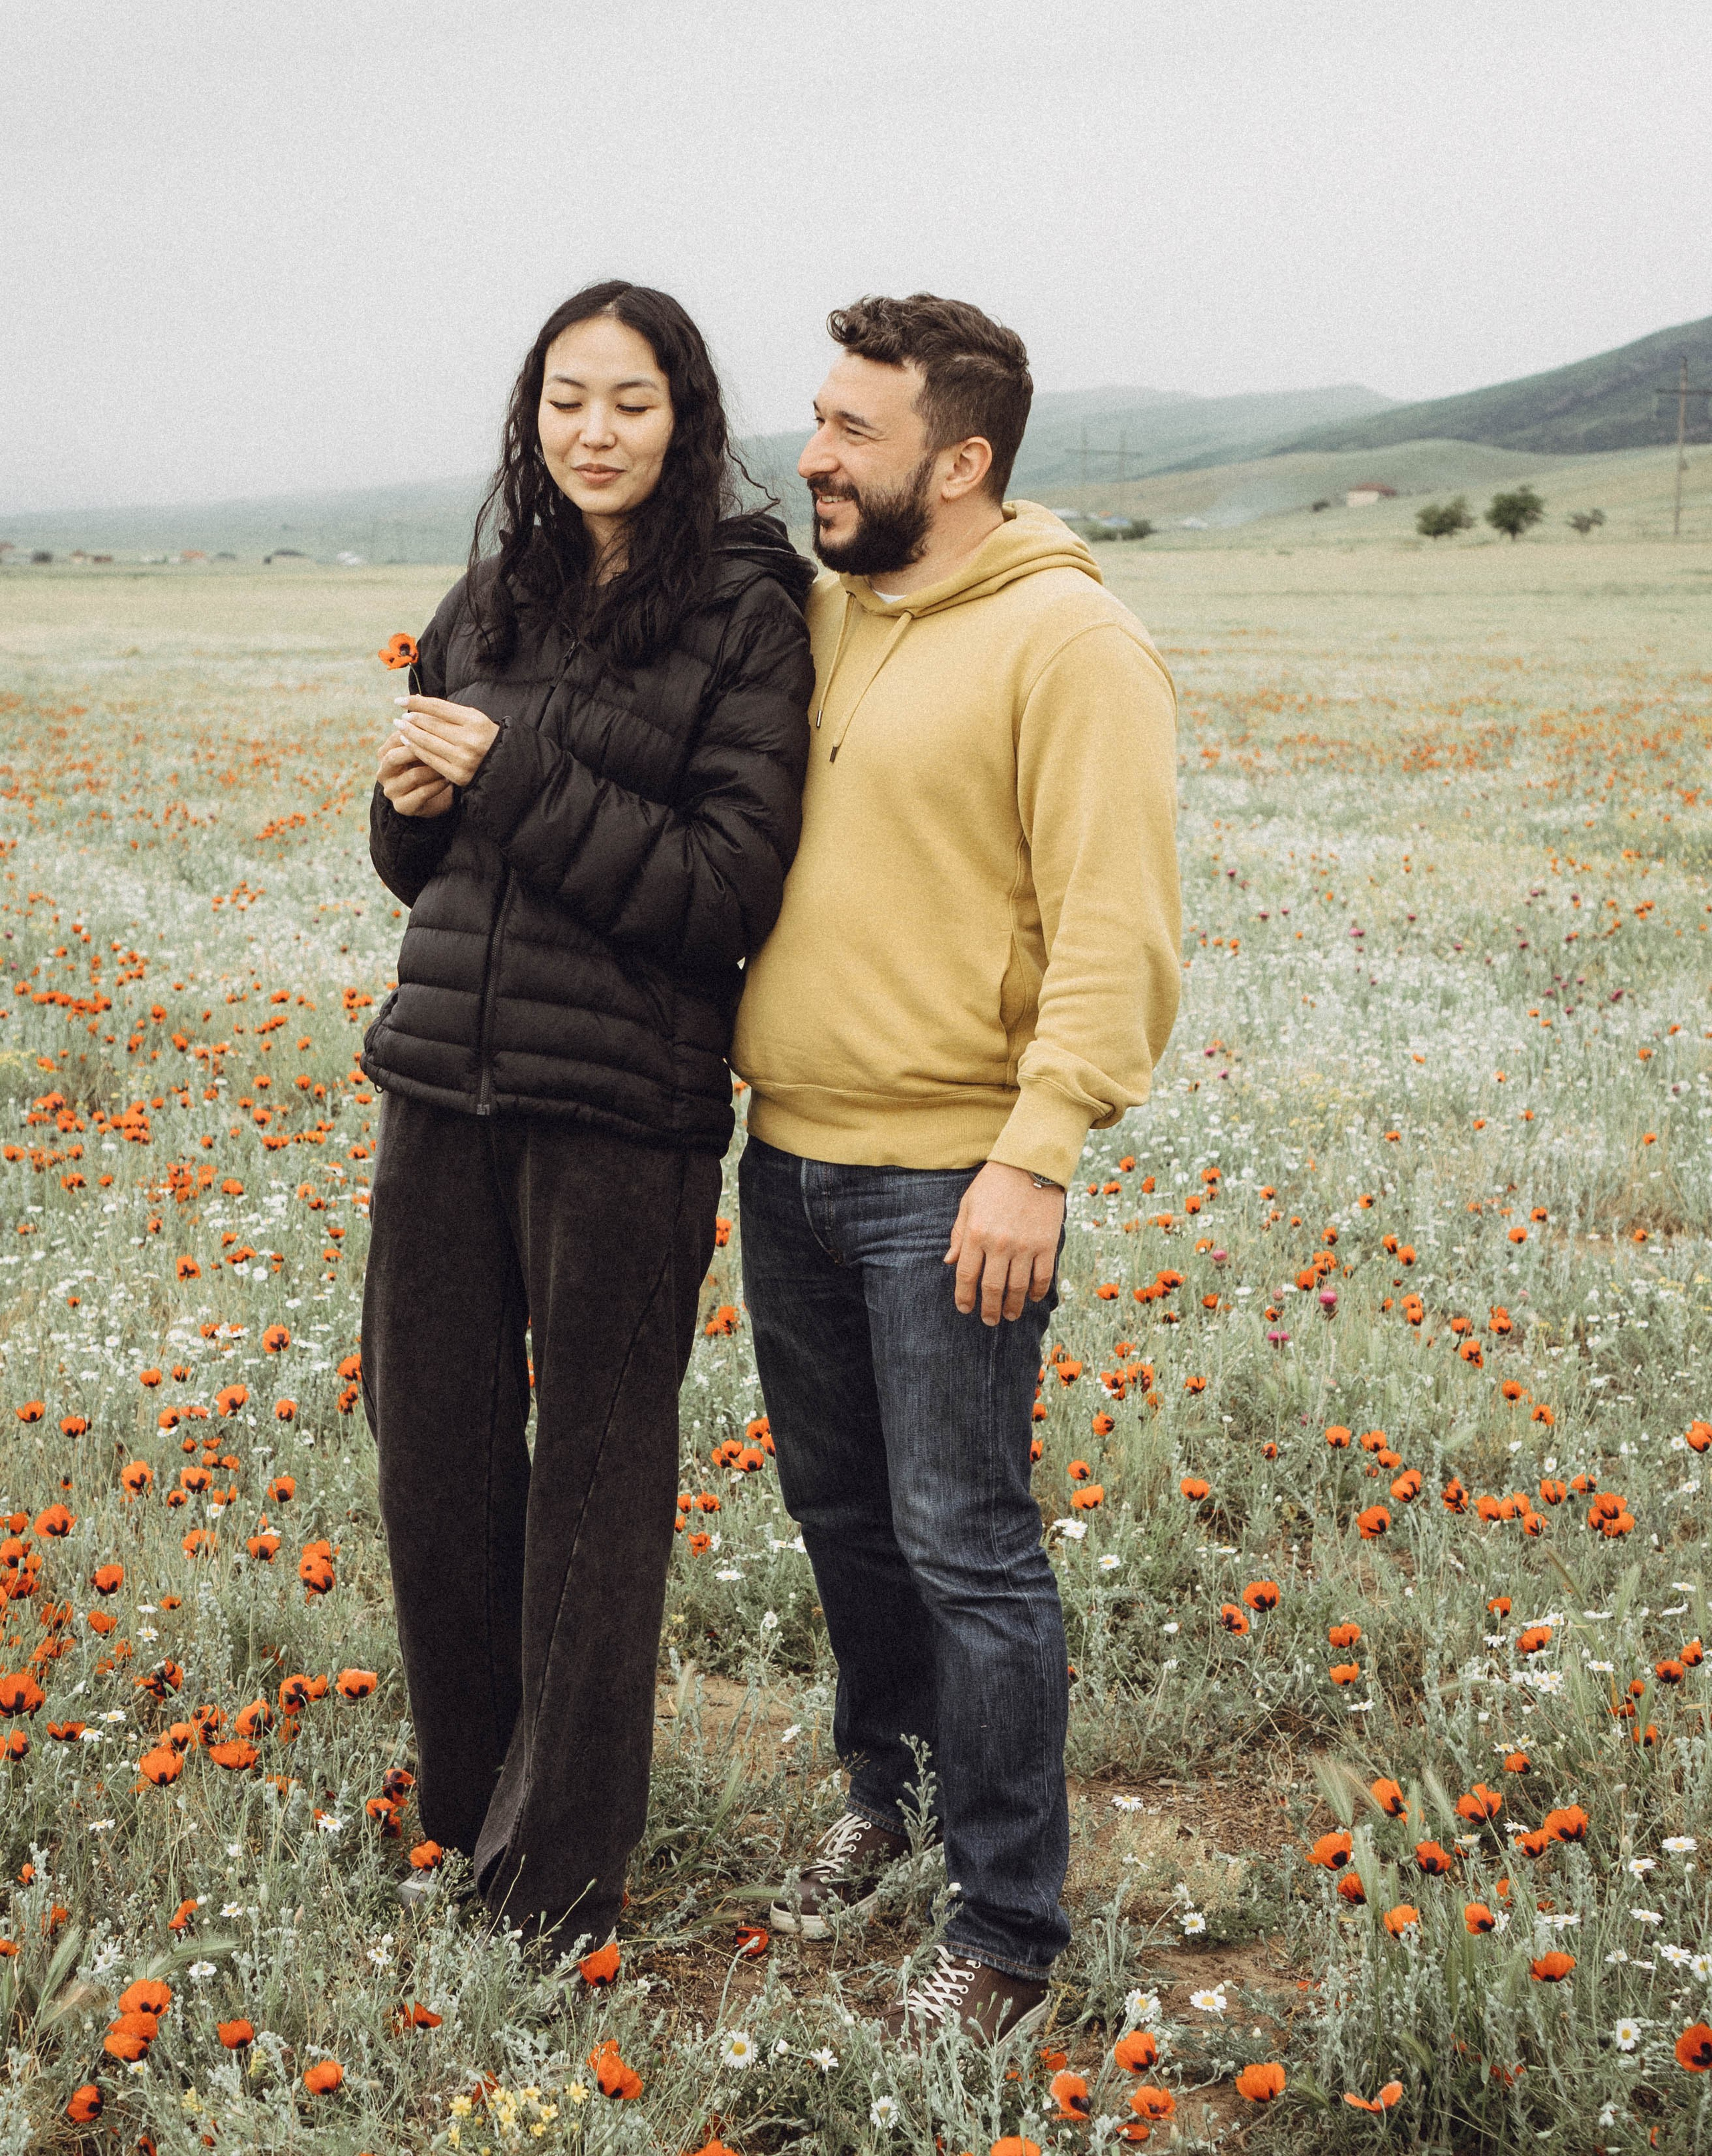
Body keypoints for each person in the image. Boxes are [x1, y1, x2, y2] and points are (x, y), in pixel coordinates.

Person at [732, 292, 1180, 2043]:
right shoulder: (826, 617)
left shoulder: (1072, 645)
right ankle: (888, 1796)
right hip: (786, 1161)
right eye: (817, 419)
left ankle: (1005, 1926)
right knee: (845, 1522)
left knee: (968, 1542)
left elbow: (1117, 931)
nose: (814, 454)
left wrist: (1037, 1153)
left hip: (953, 1185)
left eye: (852, 429)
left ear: (964, 457)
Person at [360, 280, 814, 1945]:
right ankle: (474, 1811)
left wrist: (509, 779)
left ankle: (551, 1888)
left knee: (593, 1489)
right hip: (441, 1086)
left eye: (629, 401)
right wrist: (405, 810)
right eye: (566, 399)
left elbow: (720, 887)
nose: (593, 432)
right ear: (530, 416)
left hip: (621, 1110)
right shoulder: (488, 599)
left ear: (684, 420)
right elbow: (427, 861)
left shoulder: (750, 619)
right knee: (434, 1458)